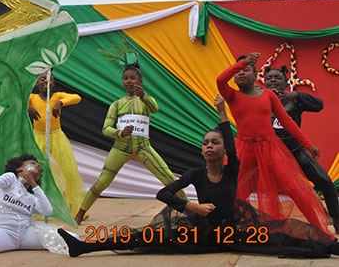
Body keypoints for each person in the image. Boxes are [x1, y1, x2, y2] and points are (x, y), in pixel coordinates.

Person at [58, 95, 339, 258]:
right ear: (202, 150)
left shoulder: (232, 169)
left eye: (215, 143)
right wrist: (191, 206)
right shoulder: (195, 174)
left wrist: (222, 115)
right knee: (141, 236)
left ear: (223, 150)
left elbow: (232, 147)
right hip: (199, 231)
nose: (209, 146)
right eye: (206, 143)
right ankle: (83, 246)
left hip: (233, 231)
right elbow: (163, 193)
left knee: (282, 236)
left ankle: (334, 246)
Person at [217, 53, 330, 234]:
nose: (241, 73)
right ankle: (223, 228)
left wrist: (308, 144)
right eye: (237, 71)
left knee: (294, 188)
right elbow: (221, 80)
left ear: (256, 76)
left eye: (246, 70)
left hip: (270, 147)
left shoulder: (268, 95)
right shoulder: (231, 96)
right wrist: (244, 62)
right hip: (245, 149)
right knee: (232, 189)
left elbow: (286, 121)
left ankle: (320, 231)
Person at [75, 63, 186, 224]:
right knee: (102, 181)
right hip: (121, 147)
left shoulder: (146, 101)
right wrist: (120, 133)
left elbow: (155, 109)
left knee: (168, 177)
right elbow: (106, 128)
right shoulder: (117, 104)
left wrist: (144, 96)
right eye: (126, 78)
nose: (129, 81)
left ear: (140, 81)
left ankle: (190, 210)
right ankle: (80, 213)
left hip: (143, 147)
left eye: (133, 78)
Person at [264, 65, 339, 231]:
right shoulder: (260, 100)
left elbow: (319, 105)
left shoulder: (294, 100)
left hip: (296, 151)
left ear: (286, 83)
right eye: (269, 78)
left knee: (325, 182)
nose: (273, 80)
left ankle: (336, 218)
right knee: (245, 181)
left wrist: (297, 95)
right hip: (271, 153)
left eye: (277, 78)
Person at [27, 70, 84, 213]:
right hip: (38, 137)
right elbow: (17, 100)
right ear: (36, 83)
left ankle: (74, 207)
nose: (45, 82)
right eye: (42, 79)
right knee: (35, 171)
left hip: (57, 137)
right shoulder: (32, 98)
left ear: (54, 83)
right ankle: (37, 206)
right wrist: (28, 108)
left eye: (49, 79)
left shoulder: (57, 96)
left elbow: (77, 98)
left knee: (69, 171)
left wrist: (60, 103)